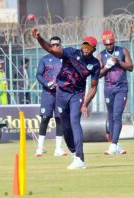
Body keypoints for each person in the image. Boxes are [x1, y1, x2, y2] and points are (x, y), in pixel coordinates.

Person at [32, 28, 100, 170]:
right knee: (66, 127)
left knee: (75, 121)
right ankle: (74, 152)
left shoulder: (94, 64)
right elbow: (51, 49)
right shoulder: (70, 53)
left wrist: (85, 104)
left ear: (94, 49)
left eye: (89, 46)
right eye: (85, 45)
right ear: (82, 45)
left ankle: (80, 158)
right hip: (61, 93)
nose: (86, 48)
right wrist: (39, 38)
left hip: (77, 94)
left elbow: (93, 87)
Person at [97, 30, 134, 155]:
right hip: (108, 88)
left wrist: (119, 62)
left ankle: (113, 145)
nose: (109, 46)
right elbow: (98, 74)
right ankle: (116, 144)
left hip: (121, 88)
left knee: (117, 115)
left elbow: (131, 67)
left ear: (114, 42)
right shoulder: (100, 55)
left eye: (111, 44)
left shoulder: (122, 51)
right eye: (106, 44)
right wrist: (106, 67)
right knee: (111, 116)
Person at [35, 36, 67, 157]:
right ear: (49, 45)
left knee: (60, 119)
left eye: (57, 44)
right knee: (45, 119)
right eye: (53, 44)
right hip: (48, 93)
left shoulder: (65, 59)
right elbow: (38, 75)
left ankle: (58, 148)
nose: (55, 47)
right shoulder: (45, 59)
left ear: (60, 45)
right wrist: (47, 83)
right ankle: (39, 147)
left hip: (61, 93)